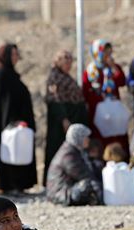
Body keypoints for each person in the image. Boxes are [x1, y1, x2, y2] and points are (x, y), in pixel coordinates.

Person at [0, 43, 37, 194]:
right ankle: (7, 186)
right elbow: (1, 104)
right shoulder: (0, 75)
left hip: (20, 123)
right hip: (8, 124)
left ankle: (20, 185)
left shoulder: (12, 75)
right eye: (13, 54)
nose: (16, 57)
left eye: (17, 54)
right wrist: (11, 121)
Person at [44, 49, 88, 184]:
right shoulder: (55, 77)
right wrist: (64, 119)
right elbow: (55, 100)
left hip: (73, 115)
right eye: (66, 62)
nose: (69, 65)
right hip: (62, 120)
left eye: (70, 62)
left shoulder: (66, 76)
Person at [82, 39, 128, 150]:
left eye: (109, 52)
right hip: (98, 112)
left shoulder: (113, 68)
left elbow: (121, 81)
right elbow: (86, 91)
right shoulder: (90, 71)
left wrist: (113, 67)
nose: (107, 55)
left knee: (118, 139)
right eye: (105, 52)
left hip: (114, 111)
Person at [46, 124, 102, 206]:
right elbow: (83, 175)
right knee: (88, 185)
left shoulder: (76, 150)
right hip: (61, 194)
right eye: (85, 137)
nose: (88, 140)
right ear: (79, 137)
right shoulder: (68, 154)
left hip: (69, 189)